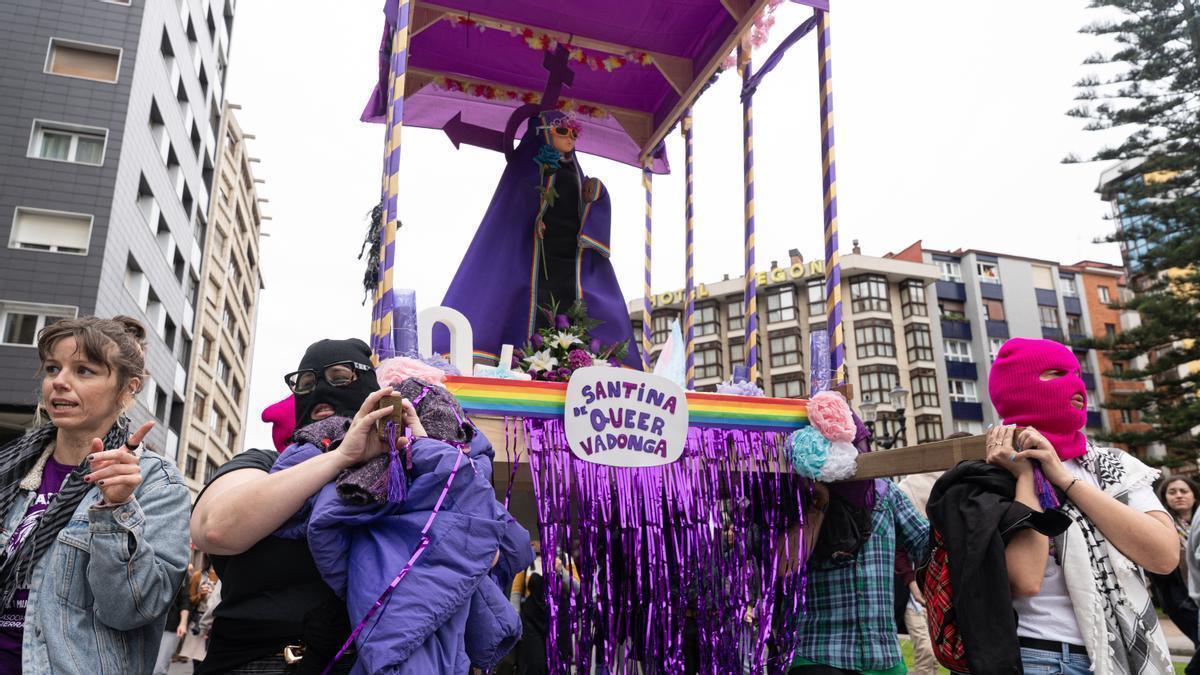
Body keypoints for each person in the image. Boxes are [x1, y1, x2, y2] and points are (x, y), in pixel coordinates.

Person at [191, 337, 400, 674]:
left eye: (339, 376)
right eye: (305, 383)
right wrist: (340, 457)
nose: (319, 390)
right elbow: (216, 529)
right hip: (256, 662)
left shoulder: (400, 474)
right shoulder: (262, 464)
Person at [0, 315, 191, 672]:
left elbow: (132, 609)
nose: (59, 382)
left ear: (128, 388)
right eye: (53, 368)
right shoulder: (10, 468)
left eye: (84, 371)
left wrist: (115, 509)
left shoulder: (155, 482)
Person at [985, 337, 1176, 674]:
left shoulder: (1115, 467)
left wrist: (1066, 480)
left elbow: (1164, 557)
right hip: (1040, 657)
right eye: (1055, 373)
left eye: (1076, 373)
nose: (1075, 384)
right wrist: (1027, 478)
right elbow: (1025, 581)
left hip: (1125, 656)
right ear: (1015, 385)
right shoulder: (991, 473)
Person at [435, 109, 641, 368]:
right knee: (518, 304)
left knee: (584, 307)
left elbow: (589, 202)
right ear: (544, 134)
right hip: (531, 253)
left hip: (570, 257)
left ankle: (575, 361)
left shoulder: (576, 172)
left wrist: (597, 193)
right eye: (563, 132)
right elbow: (516, 200)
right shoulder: (529, 167)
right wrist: (536, 214)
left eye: (575, 133)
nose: (571, 138)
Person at [788, 479, 930, 675]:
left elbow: (925, 540)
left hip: (884, 657)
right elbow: (784, 562)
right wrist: (817, 503)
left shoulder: (884, 490)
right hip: (819, 652)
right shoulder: (801, 490)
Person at [895, 431, 970, 675]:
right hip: (925, 582)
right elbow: (901, 542)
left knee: (942, 651)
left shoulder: (965, 487)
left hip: (941, 581)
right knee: (929, 651)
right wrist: (911, 583)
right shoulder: (915, 489)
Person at [1150, 476, 1200, 648]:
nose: (1178, 495)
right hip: (1181, 603)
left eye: (1184, 491)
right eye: (1172, 492)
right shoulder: (1160, 528)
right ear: (1164, 499)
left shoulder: (1197, 525)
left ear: (1194, 495)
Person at [153, 576, 192, 675]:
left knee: (159, 669)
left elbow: (185, 600)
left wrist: (183, 623)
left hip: (170, 625)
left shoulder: (180, 569)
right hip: (147, 625)